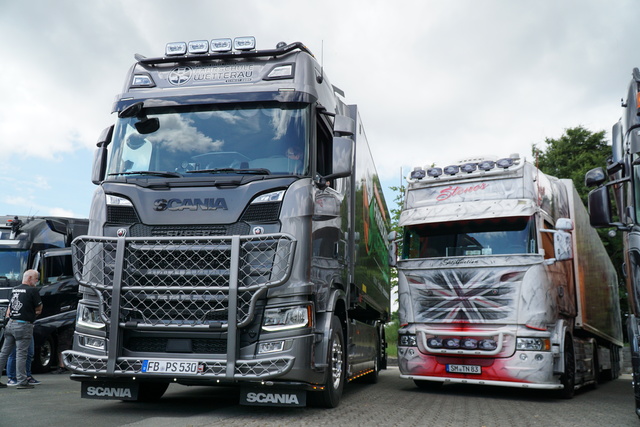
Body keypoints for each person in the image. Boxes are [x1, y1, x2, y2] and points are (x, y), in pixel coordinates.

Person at [0, 269, 43, 389]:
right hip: (23, 325)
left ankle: (8, 378)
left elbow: (10, 306)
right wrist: (31, 313)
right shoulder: (33, 290)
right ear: (29, 278)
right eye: (36, 279)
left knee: (4, 353)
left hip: (10, 323)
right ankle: (22, 381)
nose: (37, 281)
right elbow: (39, 308)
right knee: (21, 354)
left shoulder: (14, 289)